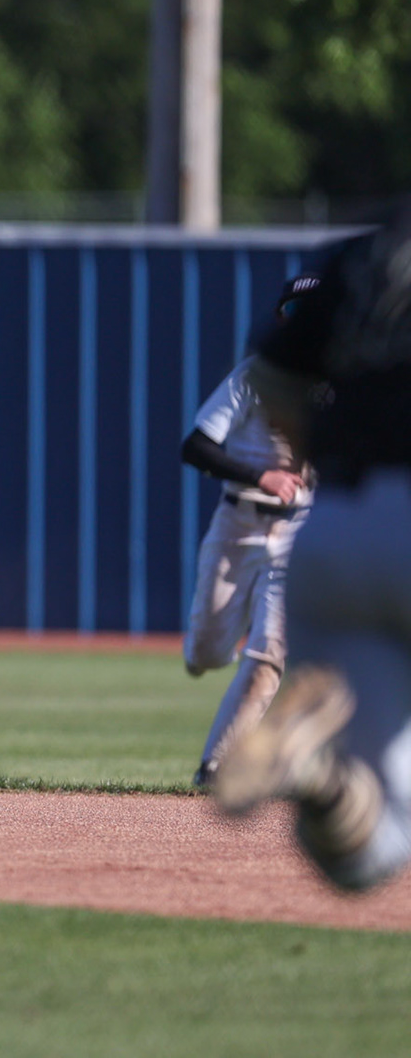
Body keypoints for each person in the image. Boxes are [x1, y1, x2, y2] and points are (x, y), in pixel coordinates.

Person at [212, 209, 411, 891]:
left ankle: (315, 777)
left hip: (335, 538)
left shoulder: (360, 258)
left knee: (370, 852)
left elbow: (272, 376)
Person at [178, 275, 320, 788]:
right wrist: (262, 474)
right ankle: (212, 652)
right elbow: (195, 447)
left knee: (268, 657)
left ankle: (215, 767)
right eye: (296, 312)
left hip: (300, 531)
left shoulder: (349, 383)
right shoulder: (253, 376)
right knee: (207, 651)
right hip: (238, 521)